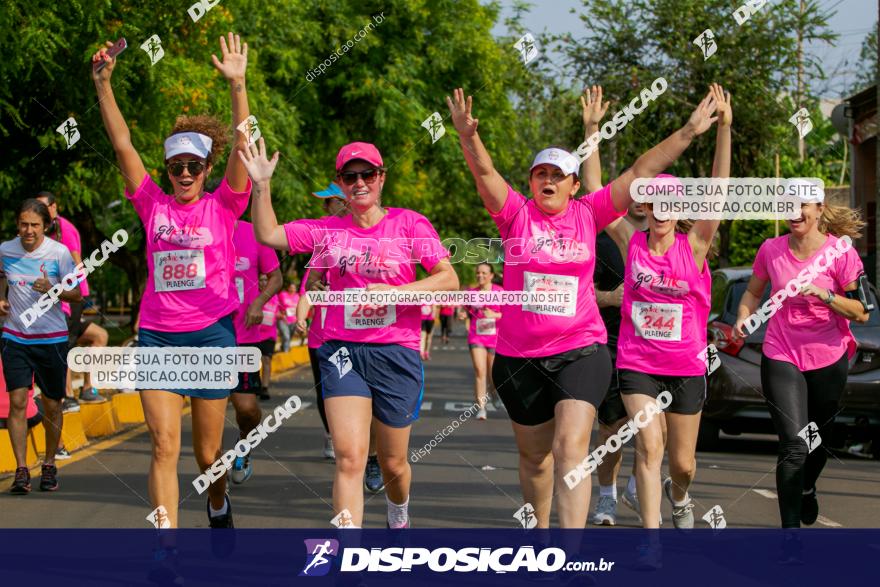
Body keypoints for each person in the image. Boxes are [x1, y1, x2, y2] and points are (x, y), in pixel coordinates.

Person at [446, 85, 718, 529]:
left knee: (571, 448)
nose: (548, 180)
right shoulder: (515, 214)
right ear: (532, 182)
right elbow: (486, 172)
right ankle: (540, 529)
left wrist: (688, 131)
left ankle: (568, 556)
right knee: (535, 460)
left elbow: (640, 170)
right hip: (519, 358)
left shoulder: (589, 213)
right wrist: (466, 135)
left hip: (581, 349)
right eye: (540, 174)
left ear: (573, 185)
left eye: (559, 174)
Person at [246, 139, 458, 528]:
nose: (360, 183)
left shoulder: (410, 224)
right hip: (342, 350)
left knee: (393, 463)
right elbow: (268, 234)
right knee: (349, 457)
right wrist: (261, 186)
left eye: (368, 174)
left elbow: (449, 277)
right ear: (340, 183)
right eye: (350, 176)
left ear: (381, 178)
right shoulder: (327, 231)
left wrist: (398, 292)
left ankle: (398, 514)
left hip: (395, 350)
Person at [91, 31, 252, 529]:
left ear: (206, 169)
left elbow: (243, 142)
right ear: (168, 169)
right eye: (177, 166)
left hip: (211, 337)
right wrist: (102, 85)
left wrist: (237, 85)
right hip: (158, 336)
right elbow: (122, 142)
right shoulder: (151, 203)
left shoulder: (224, 204)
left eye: (193, 166)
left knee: (207, 456)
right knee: (163, 446)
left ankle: (218, 499)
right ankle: (165, 551)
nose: (184, 174)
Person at [611, 86, 730, 555]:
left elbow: (719, 189)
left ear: (678, 210)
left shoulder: (695, 245)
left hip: (685, 366)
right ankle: (650, 540)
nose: (660, 211)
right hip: (637, 361)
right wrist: (591, 137)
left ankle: (679, 497)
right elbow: (603, 193)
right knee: (649, 446)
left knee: (682, 463)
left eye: (668, 204)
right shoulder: (629, 241)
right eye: (653, 202)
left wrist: (725, 127)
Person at [735, 177, 869, 556]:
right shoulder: (771, 249)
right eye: (789, 203)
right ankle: (789, 537)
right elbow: (752, 291)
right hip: (782, 351)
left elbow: (860, 312)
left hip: (828, 354)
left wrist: (825, 294)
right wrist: (745, 316)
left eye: (803, 204)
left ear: (818, 208)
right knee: (793, 444)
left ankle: (808, 486)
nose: (795, 211)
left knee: (817, 440)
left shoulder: (841, 253)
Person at [1, 199, 82, 493]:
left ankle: (49, 463)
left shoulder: (59, 253)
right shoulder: (5, 250)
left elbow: (77, 295)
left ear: (45, 226)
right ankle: (22, 470)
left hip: (52, 339)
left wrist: (54, 289)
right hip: (15, 337)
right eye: (23, 224)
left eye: (35, 225)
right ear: (17, 224)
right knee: (19, 402)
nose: (28, 230)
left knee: (51, 404)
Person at [35, 191, 108, 406]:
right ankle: (86, 389)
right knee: (99, 336)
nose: (39, 211)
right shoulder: (42, 231)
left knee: (63, 343)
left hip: (70, 297)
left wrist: (61, 292)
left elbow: (77, 265)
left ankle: (66, 396)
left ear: (55, 207)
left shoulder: (63, 229)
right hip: (58, 298)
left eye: (43, 207)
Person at [230, 220, 282, 483]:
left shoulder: (253, 233)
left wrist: (259, 302)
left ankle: (244, 445)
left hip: (243, 336)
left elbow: (276, 276)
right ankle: (212, 470)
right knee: (207, 411)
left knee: (247, 408)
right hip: (204, 338)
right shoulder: (195, 233)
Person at [462, 263, 502, 420]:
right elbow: (467, 310)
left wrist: (495, 315)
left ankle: (494, 393)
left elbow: (510, 315)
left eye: (484, 273)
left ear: (491, 275)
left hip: (495, 337)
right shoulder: (471, 293)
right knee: (480, 370)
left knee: (492, 374)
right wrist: (464, 316)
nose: (480, 275)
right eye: (478, 273)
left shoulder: (500, 292)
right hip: (476, 336)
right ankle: (481, 408)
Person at [277, 282, 300, 352]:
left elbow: (299, 308)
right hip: (283, 320)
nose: (292, 289)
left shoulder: (298, 296)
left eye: (294, 288)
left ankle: (283, 347)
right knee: (286, 336)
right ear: (288, 288)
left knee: (288, 337)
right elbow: (276, 304)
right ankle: (285, 352)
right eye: (291, 288)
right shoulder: (282, 295)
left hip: (293, 321)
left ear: (296, 289)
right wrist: (279, 314)